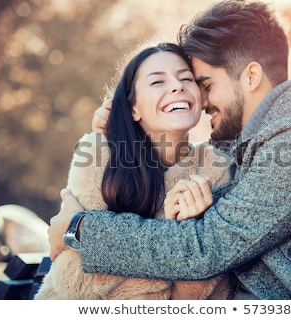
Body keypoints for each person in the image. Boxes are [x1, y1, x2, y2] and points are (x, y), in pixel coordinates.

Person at [48, 0, 291, 299]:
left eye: (206, 85)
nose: (201, 102)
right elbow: (172, 161)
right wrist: (123, 132)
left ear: (250, 77)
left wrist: (83, 230)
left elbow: (205, 248)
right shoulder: (246, 145)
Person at [35, 42, 236, 300]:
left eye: (186, 78)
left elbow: (199, 297)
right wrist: (184, 245)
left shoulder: (215, 169)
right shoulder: (98, 153)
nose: (177, 86)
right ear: (133, 108)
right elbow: (81, 282)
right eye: (157, 82)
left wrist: (190, 234)